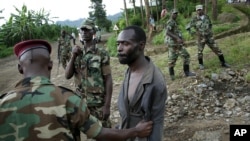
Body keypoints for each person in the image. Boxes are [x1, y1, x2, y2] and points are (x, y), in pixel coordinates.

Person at [0, 39, 153, 141]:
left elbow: (108, 78)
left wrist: (106, 105)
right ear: (50, 65)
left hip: (97, 101)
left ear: (20, 68)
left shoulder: (3, 103)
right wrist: (136, 131)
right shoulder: (67, 99)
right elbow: (100, 133)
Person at [116, 25, 167, 141]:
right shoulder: (129, 71)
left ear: (141, 45)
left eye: (126, 44)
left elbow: (157, 123)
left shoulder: (156, 82)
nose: (119, 48)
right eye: (118, 44)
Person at [65, 19, 113, 128]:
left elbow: (108, 79)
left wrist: (107, 105)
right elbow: (67, 75)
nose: (84, 32)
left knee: (104, 132)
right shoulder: (77, 53)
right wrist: (73, 56)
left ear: (93, 32)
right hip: (81, 103)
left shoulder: (101, 53)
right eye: (82, 30)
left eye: (87, 30)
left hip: (98, 103)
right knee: (87, 132)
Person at [186, 5, 230, 70]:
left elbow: (210, 24)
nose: (199, 11)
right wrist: (194, 34)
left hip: (209, 37)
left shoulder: (206, 17)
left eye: (200, 9)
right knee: (200, 52)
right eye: (198, 10)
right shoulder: (194, 19)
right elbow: (187, 28)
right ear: (196, 11)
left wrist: (210, 32)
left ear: (202, 9)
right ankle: (201, 64)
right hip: (200, 38)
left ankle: (223, 62)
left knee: (217, 49)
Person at [165, 9, 196, 80]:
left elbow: (176, 32)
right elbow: (168, 32)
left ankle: (180, 74)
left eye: (176, 14)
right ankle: (181, 74)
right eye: (174, 13)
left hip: (176, 44)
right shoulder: (170, 22)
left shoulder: (174, 22)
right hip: (174, 44)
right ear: (171, 14)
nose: (175, 15)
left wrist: (181, 39)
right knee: (180, 58)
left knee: (178, 58)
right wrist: (177, 39)